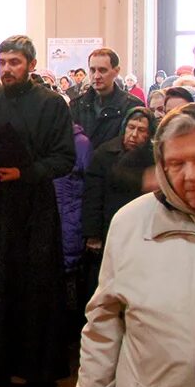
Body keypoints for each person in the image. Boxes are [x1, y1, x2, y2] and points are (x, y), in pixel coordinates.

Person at [0, 35, 75, 387]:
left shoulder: (52, 105)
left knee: (32, 288)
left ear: (31, 65)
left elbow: (64, 159)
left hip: (33, 211)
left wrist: (25, 173)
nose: (7, 69)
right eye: (2, 62)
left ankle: (33, 369)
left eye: (15, 63)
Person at [76, 104, 195, 387]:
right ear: (159, 165)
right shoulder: (131, 223)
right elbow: (103, 324)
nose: (189, 176)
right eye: (176, 163)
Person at [81, 107, 156, 310]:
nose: (134, 135)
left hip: (140, 230)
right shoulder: (105, 153)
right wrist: (92, 234)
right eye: (131, 127)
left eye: (141, 130)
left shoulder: (153, 159)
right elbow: (93, 196)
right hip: (108, 225)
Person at [53, 122, 93, 329]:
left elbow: (89, 185)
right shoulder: (44, 141)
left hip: (72, 217)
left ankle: (70, 328)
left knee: (71, 274)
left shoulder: (81, 144)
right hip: (51, 216)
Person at [70, 49, 143, 150]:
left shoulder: (133, 106)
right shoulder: (76, 105)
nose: (96, 76)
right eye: (92, 70)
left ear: (116, 71)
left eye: (102, 70)